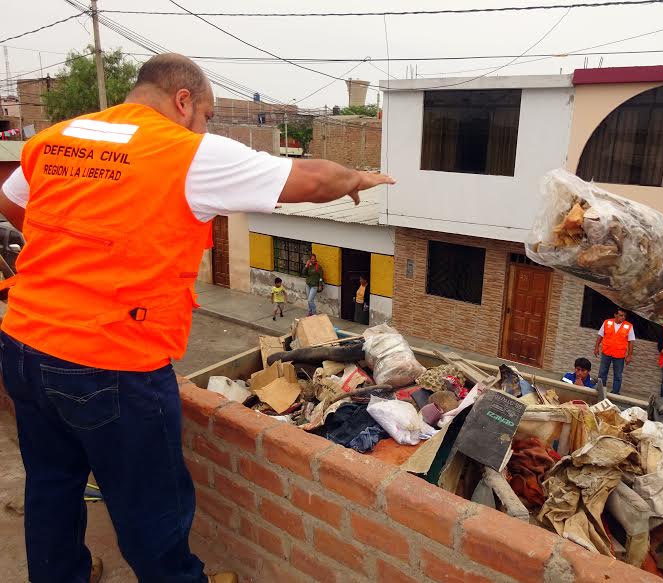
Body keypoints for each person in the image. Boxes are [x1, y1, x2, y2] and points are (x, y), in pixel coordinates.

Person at [0, 53, 394, 583]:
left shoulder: (60, 137)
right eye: (206, 114)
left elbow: (12, 202)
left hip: (24, 342)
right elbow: (314, 178)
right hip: (112, 360)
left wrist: (82, 247)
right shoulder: (182, 153)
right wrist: (359, 177)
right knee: (151, 507)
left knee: (51, 480)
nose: (205, 125)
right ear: (184, 101)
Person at [594, 308, 635, 395]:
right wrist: (596, 347)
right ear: (615, 315)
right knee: (602, 373)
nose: (623, 317)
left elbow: (631, 342)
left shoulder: (629, 326)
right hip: (606, 352)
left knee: (618, 376)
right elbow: (600, 335)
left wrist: (629, 355)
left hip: (619, 355)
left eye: (624, 316)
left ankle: (615, 393)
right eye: (621, 315)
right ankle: (601, 391)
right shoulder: (607, 322)